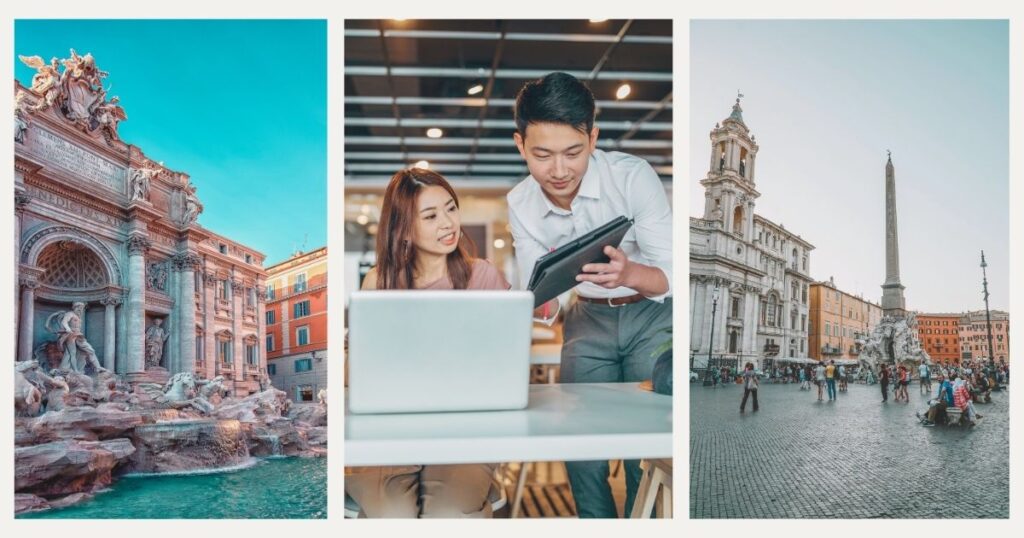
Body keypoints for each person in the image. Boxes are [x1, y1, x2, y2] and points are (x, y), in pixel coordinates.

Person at [507, 72, 672, 518]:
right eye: (542, 155)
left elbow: (671, 275)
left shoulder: (633, 177)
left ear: (593, 138)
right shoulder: (519, 204)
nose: (558, 171)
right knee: (579, 441)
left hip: (652, 316)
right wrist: (537, 303)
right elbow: (545, 297)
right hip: (585, 320)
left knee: (650, 441)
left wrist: (630, 271)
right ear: (520, 145)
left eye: (573, 153)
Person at [345, 168, 509, 518]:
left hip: (468, 429)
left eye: (451, 208)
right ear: (404, 228)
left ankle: (473, 485)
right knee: (393, 515)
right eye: (431, 216)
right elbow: (356, 371)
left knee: (446, 514)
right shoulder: (380, 282)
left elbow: (505, 364)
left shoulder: (485, 277)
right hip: (392, 428)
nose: (448, 223)